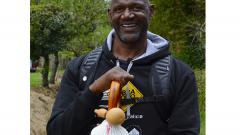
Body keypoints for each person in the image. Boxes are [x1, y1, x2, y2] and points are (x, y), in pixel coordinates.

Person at [47, 0, 200, 134]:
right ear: (109, 14)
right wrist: (94, 90)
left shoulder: (178, 74)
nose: (127, 15)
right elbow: (56, 131)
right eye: (119, 9)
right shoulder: (80, 68)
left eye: (136, 8)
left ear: (150, 12)